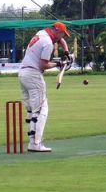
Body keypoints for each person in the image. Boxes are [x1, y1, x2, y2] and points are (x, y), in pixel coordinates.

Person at [18, 21, 71, 153]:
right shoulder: (48, 43)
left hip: (23, 74)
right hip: (34, 75)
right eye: (62, 34)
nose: (62, 37)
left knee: (32, 110)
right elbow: (43, 65)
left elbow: (60, 40)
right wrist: (58, 64)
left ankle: (33, 142)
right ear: (57, 31)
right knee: (41, 109)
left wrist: (66, 52)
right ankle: (36, 143)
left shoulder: (41, 34)